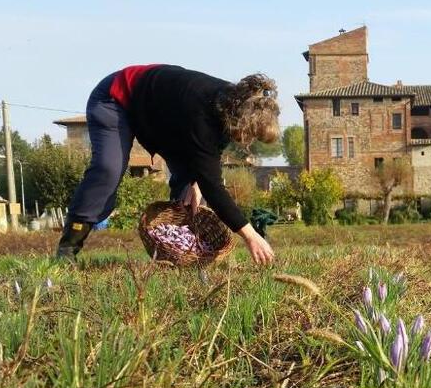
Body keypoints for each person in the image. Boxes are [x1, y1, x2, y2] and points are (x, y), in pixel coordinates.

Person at [56, 64, 279, 265]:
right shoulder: (203, 109)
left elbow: (210, 156)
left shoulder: (231, 107)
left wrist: (196, 182)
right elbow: (213, 185)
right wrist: (250, 235)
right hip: (116, 100)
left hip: (163, 124)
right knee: (109, 169)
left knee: (188, 189)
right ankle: (68, 248)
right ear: (240, 118)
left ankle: (175, 255)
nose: (248, 140)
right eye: (250, 133)